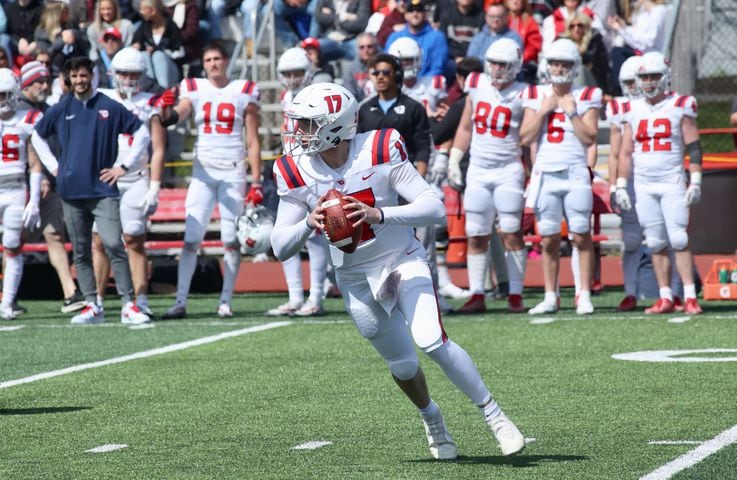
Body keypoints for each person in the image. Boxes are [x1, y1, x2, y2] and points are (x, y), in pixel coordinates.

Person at [272, 81, 526, 460]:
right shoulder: (294, 168)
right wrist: (309, 222)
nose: (299, 133)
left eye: (308, 124)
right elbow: (279, 247)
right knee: (404, 364)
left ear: (335, 126)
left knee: (431, 339)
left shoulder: (379, 147)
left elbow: (433, 207)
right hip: (355, 278)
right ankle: (432, 418)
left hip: (401, 259)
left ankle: (495, 416)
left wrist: (380, 214)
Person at [31, 56, 151, 325]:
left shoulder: (109, 106)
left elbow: (142, 133)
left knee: (112, 244)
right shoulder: (61, 108)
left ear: (92, 76)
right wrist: (55, 166)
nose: (79, 81)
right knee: (82, 249)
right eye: (74, 76)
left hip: (103, 190)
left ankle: (128, 304)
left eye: (83, 75)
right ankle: (92, 304)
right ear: (67, 79)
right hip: (71, 191)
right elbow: (37, 135)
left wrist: (124, 166)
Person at [163, 42, 263, 319]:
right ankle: (180, 300)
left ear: (227, 60)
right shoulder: (194, 88)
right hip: (203, 173)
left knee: (231, 239)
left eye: (217, 58)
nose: (213, 64)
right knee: (191, 238)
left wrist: (256, 180)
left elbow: (252, 140)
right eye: (208, 59)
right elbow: (179, 113)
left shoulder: (243, 90)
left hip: (232, 171)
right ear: (203, 63)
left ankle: (225, 300)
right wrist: (167, 113)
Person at [357, 53, 452, 312]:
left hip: (406, 182)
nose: (380, 77)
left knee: (422, 244)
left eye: (386, 72)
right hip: (376, 187)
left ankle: (432, 294)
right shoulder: (365, 109)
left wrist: (415, 184)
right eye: (376, 73)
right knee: (381, 246)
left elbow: (422, 146)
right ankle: (384, 297)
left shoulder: (412, 107)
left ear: (397, 76)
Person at [616, 51, 703, 314]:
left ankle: (689, 296)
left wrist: (696, 179)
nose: (649, 81)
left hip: (671, 180)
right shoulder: (632, 109)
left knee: (678, 238)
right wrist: (620, 183)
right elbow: (626, 151)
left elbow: (694, 145)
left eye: (654, 76)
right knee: (654, 242)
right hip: (643, 183)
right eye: (644, 77)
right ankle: (665, 296)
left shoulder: (679, 104)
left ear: (665, 77)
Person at [519, 39, 601, 315]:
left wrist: (571, 112)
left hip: (576, 171)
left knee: (581, 235)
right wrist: (544, 110)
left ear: (574, 67)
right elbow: (525, 137)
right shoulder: (536, 94)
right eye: (555, 63)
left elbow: (590, 138)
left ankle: (584, 293)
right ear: (547, 65)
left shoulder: (587, 94)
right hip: (546, 173)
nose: (559, 68)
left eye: (565, 64)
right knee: (549, 239)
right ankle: (551, 295)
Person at [448, 38, 529, 314]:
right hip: (479, 170)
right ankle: (477, 293)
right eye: (493, 63)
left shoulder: (524, 93)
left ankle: (515, 293)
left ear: (515, 66)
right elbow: (465, 127)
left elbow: (529, 137)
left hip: (508, 169)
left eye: (503, 64)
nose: (497, 69)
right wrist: (455, 157)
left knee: (511, 232)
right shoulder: (476, 84)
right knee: (476, 233)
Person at [94, 47, 166, 318]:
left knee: (134, 240)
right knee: (99, 241)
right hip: (103, 178)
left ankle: (140, 298)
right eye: (123, 73)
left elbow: (158, 148)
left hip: (135, 178)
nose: (128, 79)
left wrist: (155, 187)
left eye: (133, 74)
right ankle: (97, 300)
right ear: (113, 73)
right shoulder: (101, 98)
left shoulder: (150, 102)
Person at [17, 61, 86, 313]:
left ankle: (70, 292)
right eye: (39, 81)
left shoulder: (47, 109)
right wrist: (37, 177)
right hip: (20, 185)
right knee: (13, 240)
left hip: (50, 184)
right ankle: (8, 295)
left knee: (55, 235)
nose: (45, 86)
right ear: (26, 84)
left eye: (47, 81)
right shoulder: (16, 112)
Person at [266, 46, 329, 317]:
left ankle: (316, 296)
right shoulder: (286, 96)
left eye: (297, 72)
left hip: (315, 167)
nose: (292, 78)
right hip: (293, 168)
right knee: (288, 232)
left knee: (315, 236)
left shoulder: (319, 94)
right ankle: (294, 296)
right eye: (287, 73)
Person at [0, 69, 44, 319]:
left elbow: (35, 162)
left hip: (15, 189)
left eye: (3, 95)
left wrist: (35, 200)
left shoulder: (27, 119)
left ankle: (7, 303)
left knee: (12, 246)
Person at [606, 0, 669, 96]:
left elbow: (647, 43)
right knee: (617, 52)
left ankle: (617, 91)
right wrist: (623, 27)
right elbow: (637, 36)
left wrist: (621, 29)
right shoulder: (642, 13)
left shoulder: (659, 11)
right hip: (640, 53)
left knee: (618, 52)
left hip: (651, 57)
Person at [387, 37, 448, 120]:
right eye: (399, 61)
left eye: (408, 60)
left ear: (418, 60)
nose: (403, 65)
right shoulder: (383, 86)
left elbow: (443, 112)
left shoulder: (434, 83)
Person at [385, 0, 449, 78]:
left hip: (426, 85)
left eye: (419, 10)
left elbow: (437, 68)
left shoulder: (437, 37)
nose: (415, 14)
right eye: (411, 10)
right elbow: (387, 63)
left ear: (425, 14)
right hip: (399, 83)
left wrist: (418, 83)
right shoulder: (394, 37)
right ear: (405, 15)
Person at [131, 0, 185, 90]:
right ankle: (150, 89)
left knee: (158, 56)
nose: (141, 12)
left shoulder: (171, 26)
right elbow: (136, 43)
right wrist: (137, 47)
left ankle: (163, 92)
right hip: (150, 67)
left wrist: (157, 50)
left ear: (153, 10)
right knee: (144, 55)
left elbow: (179, 53)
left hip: (170, 70)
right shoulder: (144, 27)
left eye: (144, 9)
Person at [563, 13, 611, 94]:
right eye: (572, 26)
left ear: (585, 27)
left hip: (593, 83)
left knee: (580, 70)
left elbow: (603, 70)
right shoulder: (563, 44)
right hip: (566, 83)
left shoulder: (594, 43)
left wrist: (606, 93)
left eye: (580, 25)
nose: (576, 29)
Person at [506, 0, 540, 82]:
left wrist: (520, 58)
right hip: (503, 60)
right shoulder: (502, 19)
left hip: (524, 63)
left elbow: (533, 46)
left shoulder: (530, 21)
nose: (515, 1)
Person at [341, 32, 377, 102]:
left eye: (369, 46)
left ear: (375, 47)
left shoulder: (384, 66)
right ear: (357, 49)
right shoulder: (351, 69)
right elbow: (350, 96)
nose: (366, 50)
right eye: (362, 47)